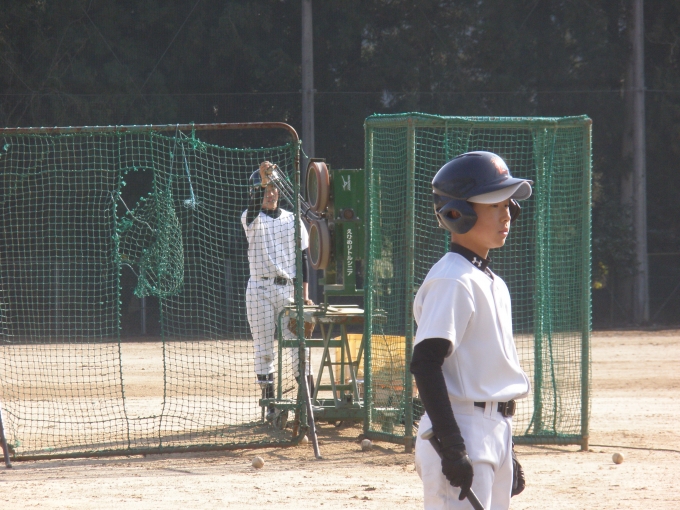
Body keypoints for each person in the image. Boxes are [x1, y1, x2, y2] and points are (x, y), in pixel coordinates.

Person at [411, 151, 530, 509]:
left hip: (494, 429)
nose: (506, 214)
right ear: (458, 213)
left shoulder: (491, 282)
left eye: (508, 204)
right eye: (494, 205)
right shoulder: (453, 279)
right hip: (461, 428)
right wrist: (452, 445)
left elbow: (489, 372)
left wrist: (507, 447)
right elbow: (425, 362)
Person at [241, 160, 314, 422]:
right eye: (265, 189)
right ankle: (271, 405)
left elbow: (303, 259)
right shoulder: (250, 217)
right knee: (264, 349)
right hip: (259, 288)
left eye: (274, 188)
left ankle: (307, 404)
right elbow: (253, 208)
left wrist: (304, 295)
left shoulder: (292, 219)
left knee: (299, 346)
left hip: (288, 290)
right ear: (256, 191)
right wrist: (262, 180)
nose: (271, 193)